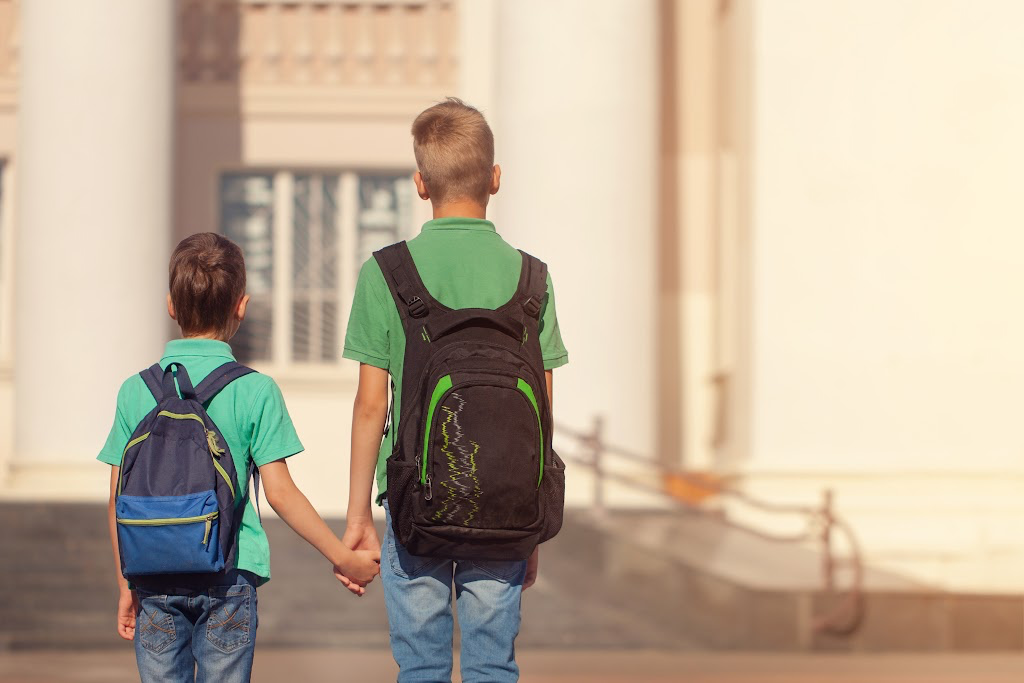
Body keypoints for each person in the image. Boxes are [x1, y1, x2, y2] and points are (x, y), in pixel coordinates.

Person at [340, 98, 569, 682]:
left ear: (421, 184)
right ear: (495, 179)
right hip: (506, 507)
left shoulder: (387, 272)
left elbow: (372, 407)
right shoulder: (532, 278)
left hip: (417, 504)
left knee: (421, 667)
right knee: (493, 665)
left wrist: (358, 513)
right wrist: (534, 518)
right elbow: (541, 412)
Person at [98, 232, 379, 683]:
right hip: (228, 576)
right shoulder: (254, 390)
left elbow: (117, 499)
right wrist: (341, 556)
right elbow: (281, 493)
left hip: (151, 577)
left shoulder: (136, 391)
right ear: (241, 306)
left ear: (171, 304)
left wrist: (124, 583)